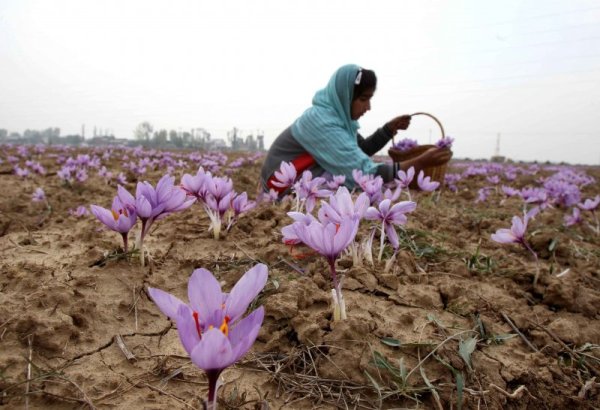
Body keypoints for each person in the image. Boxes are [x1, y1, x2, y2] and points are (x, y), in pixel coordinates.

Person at [260, 64, 451, 192]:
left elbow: (360, 150)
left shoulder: (337, 118)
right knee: (357, 187)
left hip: (303, 178)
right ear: (344, 95)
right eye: (363, 99)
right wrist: (420, 163)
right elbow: (365, 172)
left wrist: (388, 130)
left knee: (360, 186)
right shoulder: (321, 122)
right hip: (280, 187)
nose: (368, 107)